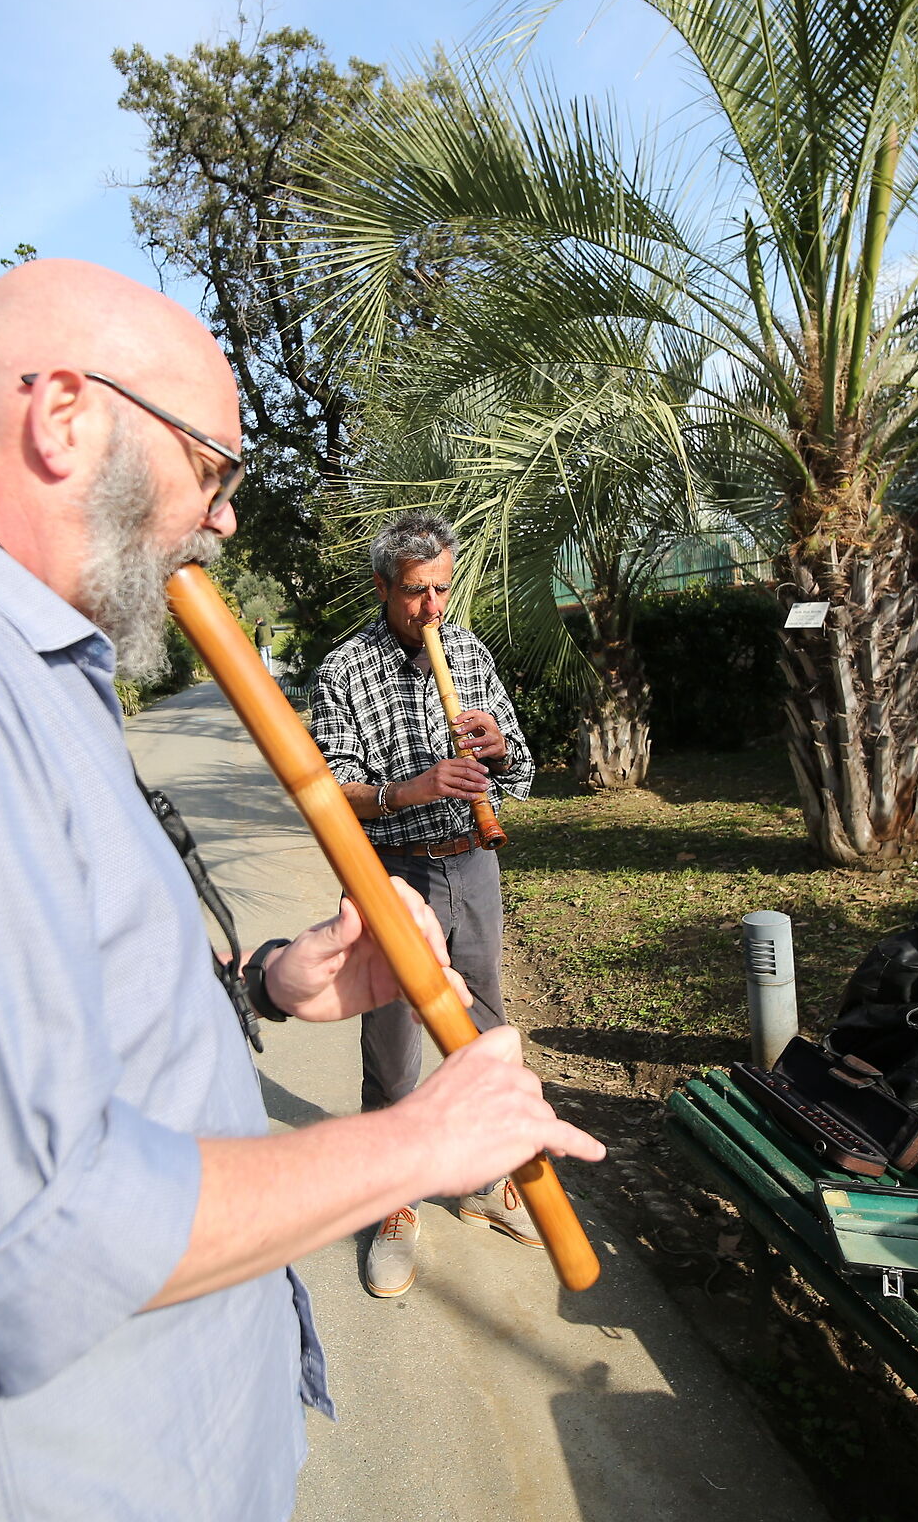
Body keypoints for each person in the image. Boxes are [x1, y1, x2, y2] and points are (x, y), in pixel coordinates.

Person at [0, 260, 602, 1519]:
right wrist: (416, 1146)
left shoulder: (16, 664)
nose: (222, 521)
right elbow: (31, 1236)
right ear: (63, 417)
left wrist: (266, 983)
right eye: (212, 467)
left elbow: (49, 1009)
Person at [307, 511, 537, 1297]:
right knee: (393, 1040)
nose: (432, 608)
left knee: (485, 1031)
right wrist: (413, 789)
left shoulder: (467, 651)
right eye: (414, 592)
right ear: (383, 586)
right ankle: (394, 1200)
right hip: (390, 874)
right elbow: (330, 792)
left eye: (442, 588)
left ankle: (482, 1178)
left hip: (472, 863)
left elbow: (522, 767)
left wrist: (498, 748)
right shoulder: (343, 669)